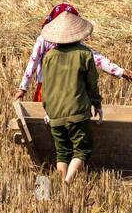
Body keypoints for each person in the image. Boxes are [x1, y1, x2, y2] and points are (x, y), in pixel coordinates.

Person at [14, 3, 132, 101]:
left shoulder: (69, 42)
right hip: (62, 91)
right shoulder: (45, 40)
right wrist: (23, 88)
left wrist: (119, 71)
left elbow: (96, 58)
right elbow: (32, 64)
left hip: (55, 90)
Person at [39, 11, 104, 184]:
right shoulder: (84, 54)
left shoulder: (49, 56)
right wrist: (96, 104)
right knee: (82, 150)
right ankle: (67, 182)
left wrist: (48, 109)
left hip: (55, 112)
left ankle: (61, 185)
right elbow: (92, 84)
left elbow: (47, 86)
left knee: (62, 152)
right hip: (77, 112)